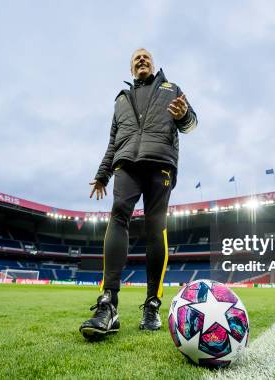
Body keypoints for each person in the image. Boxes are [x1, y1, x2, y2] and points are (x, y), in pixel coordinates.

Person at [79, 48, 197, 340]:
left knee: (156, 228)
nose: (141, 60)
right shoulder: (121, 99)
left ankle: (152, 305)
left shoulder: (172, 89)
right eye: (136, 59)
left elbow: (191, 123)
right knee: (118, 215)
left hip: (161, 162)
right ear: (131, 69)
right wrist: (102, 173)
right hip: (126, 164)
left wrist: (184, 117)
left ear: (153, 64)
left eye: (146, 57)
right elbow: (112, 141)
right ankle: (109, 304)